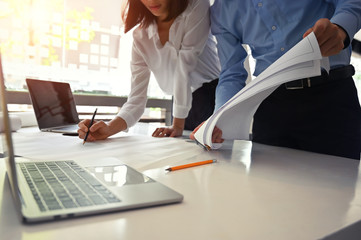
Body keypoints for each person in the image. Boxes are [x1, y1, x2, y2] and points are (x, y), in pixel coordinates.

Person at [192, 0, 361, 159]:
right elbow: (231, 73)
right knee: (269, 187)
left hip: (330, 98)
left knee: (338, 185)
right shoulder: (221, 11)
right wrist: (218, 118)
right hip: (271, 108)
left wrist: (341, 28)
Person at [78, 0, 220, 141]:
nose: (151, 1)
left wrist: (177, 124)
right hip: (179, 105)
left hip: (211, 97)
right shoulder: (141, 36)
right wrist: (108, 128)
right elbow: (136, 99)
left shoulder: (196, 5)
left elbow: (184, 67)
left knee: (217, 158)